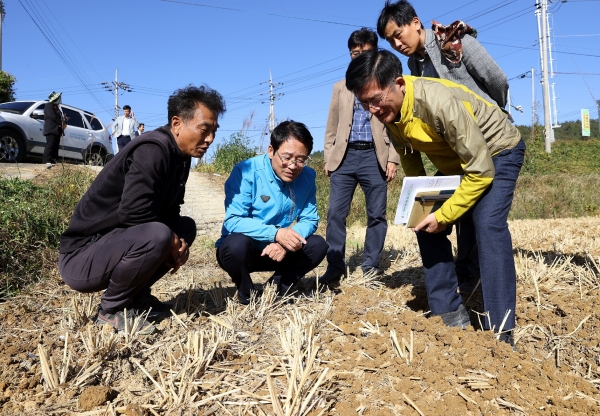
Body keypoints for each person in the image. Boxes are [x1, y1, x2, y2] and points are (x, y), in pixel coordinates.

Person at [346, 50, 525, 347]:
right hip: (457, 161)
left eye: (375, 99)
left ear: (399, 83)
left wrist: (444, 215)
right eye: (364, 103)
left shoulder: (439, 103)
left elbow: (480, 171)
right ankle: (448, 312)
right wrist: (420, 204)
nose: (372, 109)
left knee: (487, 225)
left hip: (497, 152)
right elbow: (409, 157)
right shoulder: (388, 112)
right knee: (422, 221)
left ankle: (501, 331)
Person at [59, 85, 225, 334]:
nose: (210, 139)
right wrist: (169, 239)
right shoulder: (153, 149)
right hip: (82, 257)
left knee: (184, 228)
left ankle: (136, 297)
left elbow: (170, 212)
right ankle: (111, 310)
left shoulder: (181, 156)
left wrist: (178, 243)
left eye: (213, 131)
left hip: (114, 244)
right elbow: (132, 213)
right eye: (204, 130)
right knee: (160, 234)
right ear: (177, 123)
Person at [377, 0, 511, 293]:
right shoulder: (413, 66)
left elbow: (497, 79)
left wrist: (493, 113)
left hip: (485, 135)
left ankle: (474, 276)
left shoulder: (456, 42)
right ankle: (465, 275)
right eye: (390, 41)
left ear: (415, 22)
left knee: (482, 215)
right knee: (455, 209)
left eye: (398, 34)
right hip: (452, 148)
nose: (397, 43)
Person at [216, 120, 328, 305]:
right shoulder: (246, 171)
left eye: (301, 159)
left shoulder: (307, 177)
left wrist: (285, 244)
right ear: (271, 151)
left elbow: (309, 218)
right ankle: (246, 293)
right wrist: (276, 234)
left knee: (317, 245)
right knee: (235, 245)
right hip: (247, 252)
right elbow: (233, 220)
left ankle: (275, 291)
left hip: (278, 252)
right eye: (287, 157)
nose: (293, 165)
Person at [320, 28, 399, 286]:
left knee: (376, 215)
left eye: (366, 52)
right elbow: (331, 125)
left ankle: (370, 266)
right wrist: (328, 156)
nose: (360, 57)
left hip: (375, 156)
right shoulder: (340, 88)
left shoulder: (386, 85)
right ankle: (335, 267)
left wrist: (393, 159)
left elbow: (396, 125)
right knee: (335, 214)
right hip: (344, 158)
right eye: (355, 53)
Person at [43, 91, 66, 165]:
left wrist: (63, 125)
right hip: (51, 129)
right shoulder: (48, 105)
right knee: (50, 145)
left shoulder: (57, 108)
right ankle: (47, 160)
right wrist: (61, 123)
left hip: (57, 130)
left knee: (56, 147)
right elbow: (52, 116)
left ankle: (54, 160)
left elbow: (59, 118)